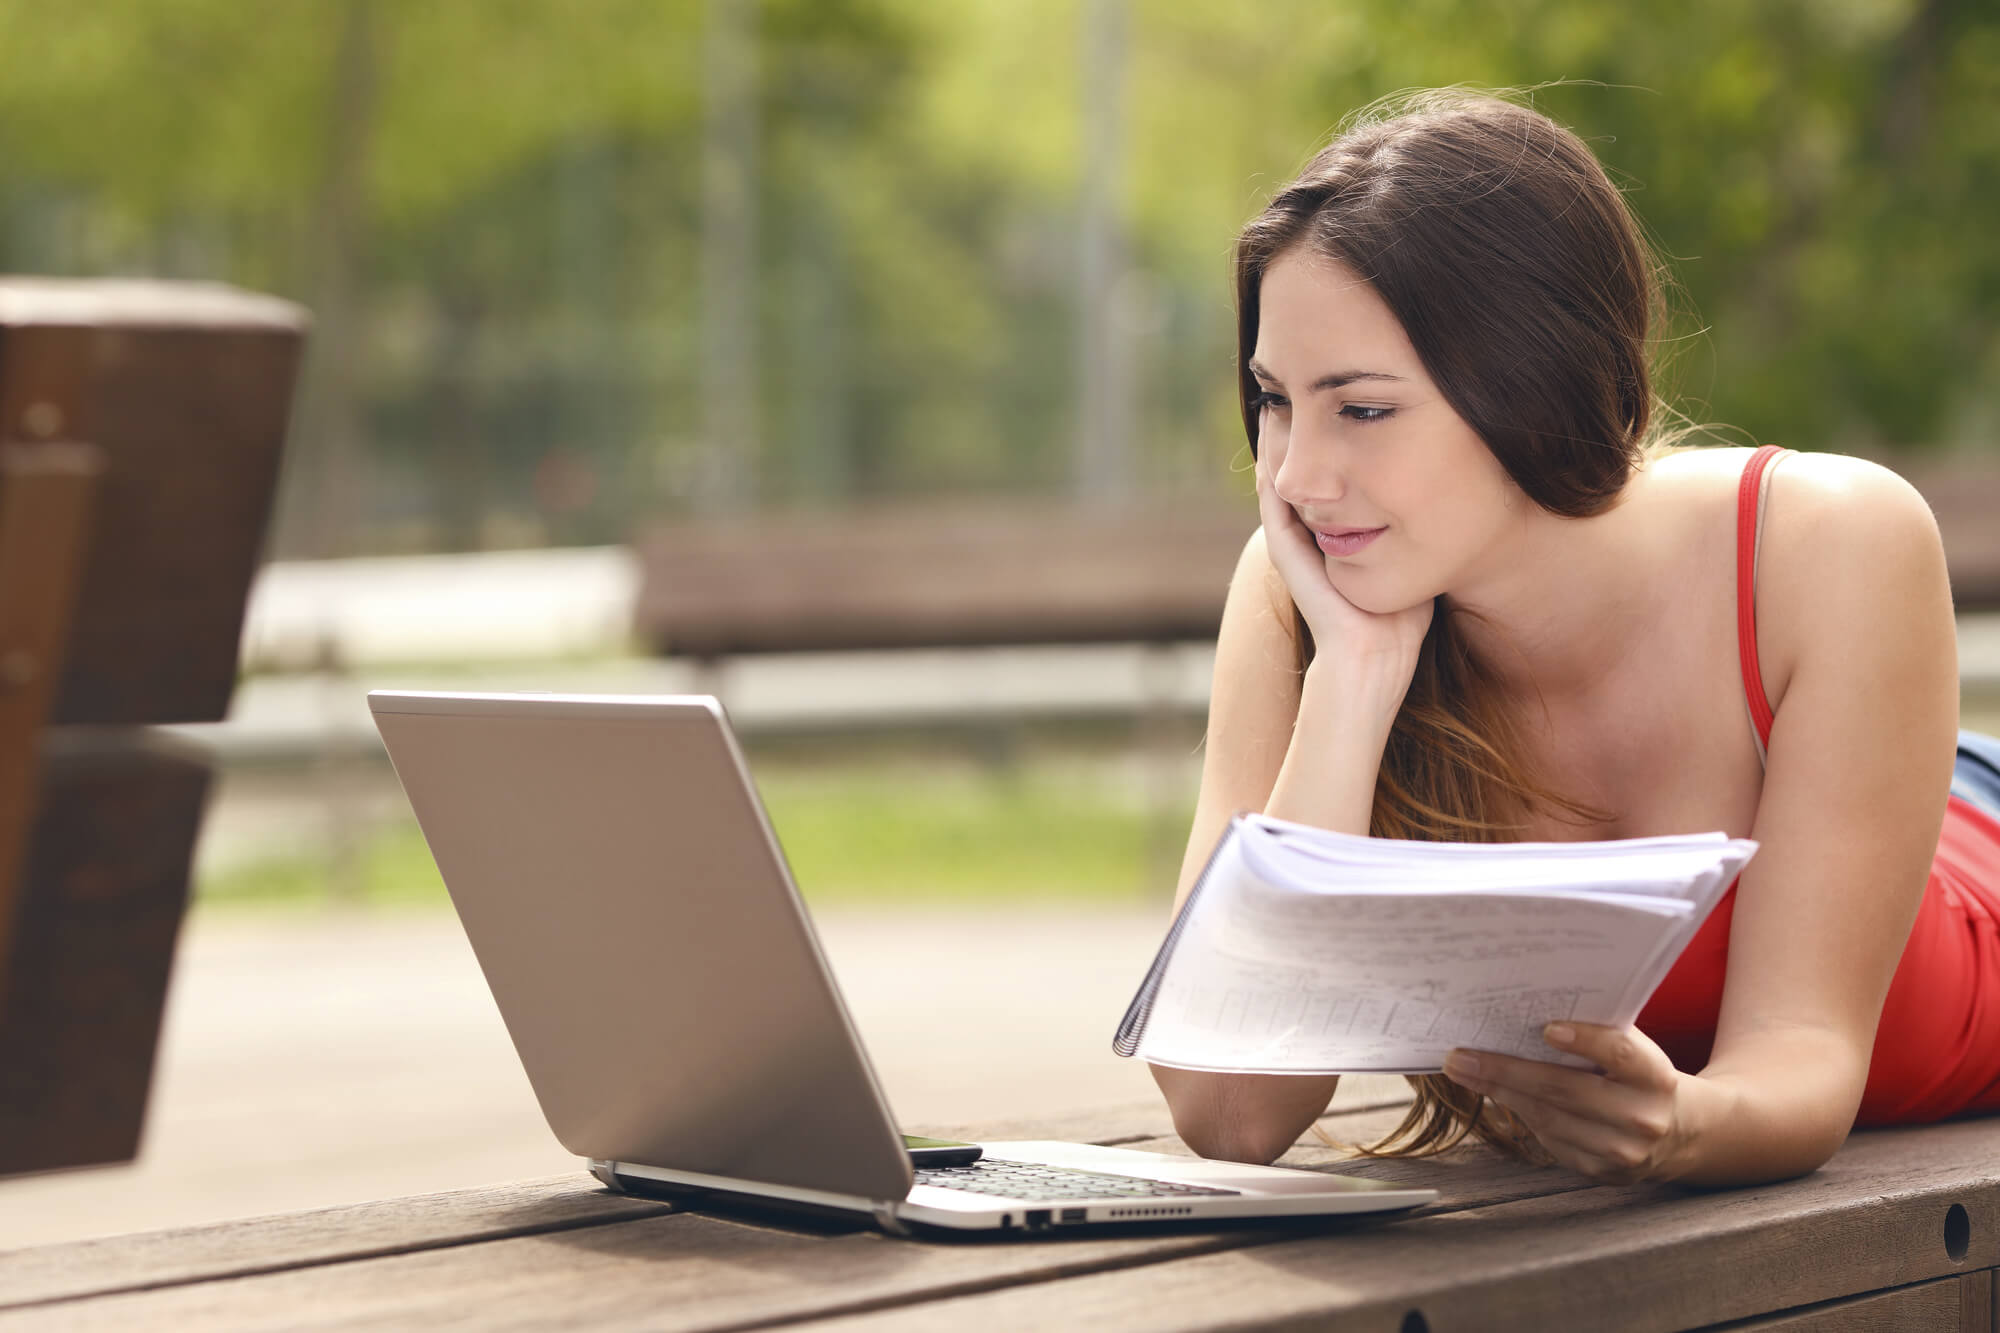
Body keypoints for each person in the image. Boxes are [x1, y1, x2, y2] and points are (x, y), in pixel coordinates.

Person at [1152, 89, 2000, 1189]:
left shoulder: (1826, 540)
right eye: (1273, 401)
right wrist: (1354, 680)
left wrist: (1682, 1128)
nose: (1294, 478)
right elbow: (1230, 1111)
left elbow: (1804, 1060)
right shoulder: (1299, 597)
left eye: (1359, 408)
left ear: (1528, 381)